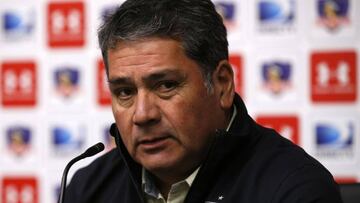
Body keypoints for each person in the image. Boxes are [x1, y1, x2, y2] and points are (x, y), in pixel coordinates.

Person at [64, 0, 343, 202]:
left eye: (166, 85)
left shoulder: (294, 189)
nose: (142, 114)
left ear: (221, 84)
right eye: (125, 92)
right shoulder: (89, 187)